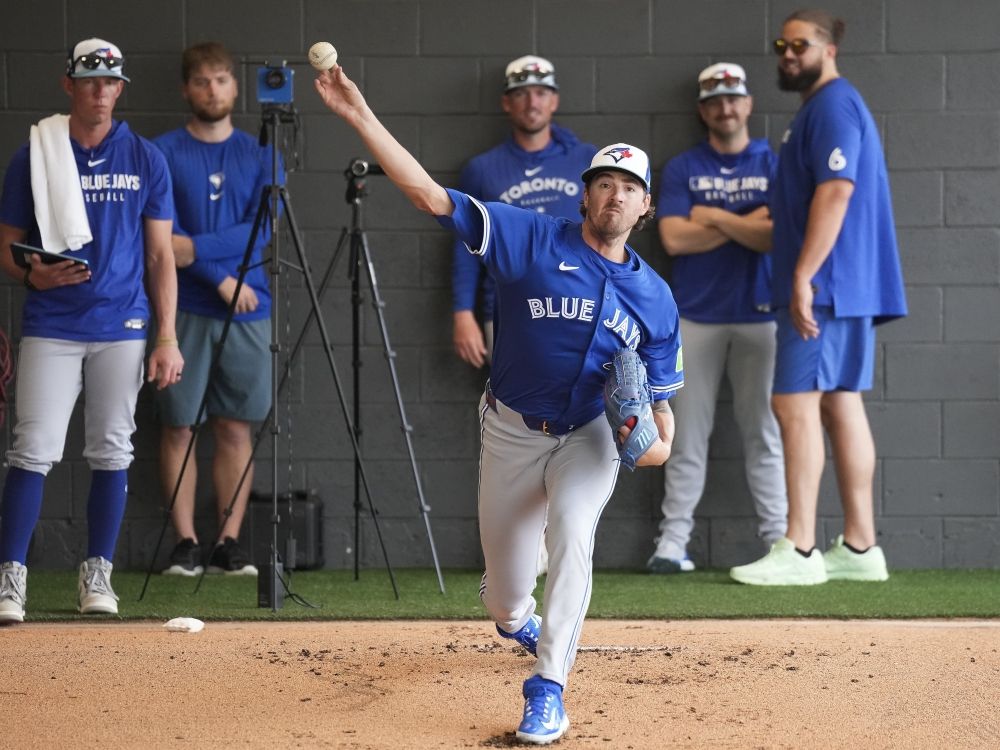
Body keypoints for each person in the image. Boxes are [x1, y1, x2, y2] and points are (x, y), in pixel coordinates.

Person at [313, 66, 683, 745]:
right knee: (505, 599)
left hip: (589, 437)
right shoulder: (531, 238)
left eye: (629, 188)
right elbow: (429, 197)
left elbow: (662, 415)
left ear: (646, 207)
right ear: (585, 194)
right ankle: (518, 620)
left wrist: (653, 446)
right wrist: (359, 115)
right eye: (604, 182)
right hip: (512, 430)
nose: (614, 195)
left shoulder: (656, 298)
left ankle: (547, 689)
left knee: (574, 537)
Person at [0, 38, 183, 623]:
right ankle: (10, 579)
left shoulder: (146, 158)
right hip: (52, 320)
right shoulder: (36, 151)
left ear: (120, 88)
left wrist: (167, 335)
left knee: (112, 449)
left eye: (110, 82)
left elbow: (160, 257)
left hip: (122, 323)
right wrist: (31, 273)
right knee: (34, 448)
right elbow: (6, 246)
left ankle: (96, 576)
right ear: (69, 85)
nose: (100, 91)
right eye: (88, 80)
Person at [730, 9, 907, 586]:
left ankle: (801, 549)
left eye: (799, 44)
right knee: (839, 403)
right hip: (841, 286)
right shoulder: (821, 109)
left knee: (794, 406)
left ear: (828, 49)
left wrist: (803, 276)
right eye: (781, 44)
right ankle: (860, 547)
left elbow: (835, 192)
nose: (787, 53)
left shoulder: (832, 106)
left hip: (826, 287)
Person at [649, 63, 786, 573]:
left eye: (734, 99)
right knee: (684, 434)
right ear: (703, 110)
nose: (726, 108)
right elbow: (674, 239)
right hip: (695, 316)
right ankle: (672, 543)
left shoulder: (774, 162)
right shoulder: (684, 166)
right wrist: (746, 222)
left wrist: (709, 216)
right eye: (715, 101)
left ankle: (780, 542)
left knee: (764, 431)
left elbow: (776, 235)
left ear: (748, 104)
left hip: (760, 313)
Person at [153, 42, 278, 577]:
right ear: (187, 89)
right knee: (180, 426)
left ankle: (228, 543)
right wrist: (220, 277)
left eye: (222, 80)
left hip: (249, 310)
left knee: (234, 428)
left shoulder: (262, 152)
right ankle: (185, 543)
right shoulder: (160, 151)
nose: (213, 90)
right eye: (203, 81)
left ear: (235, 87)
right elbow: (163, 242)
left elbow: (263, 229)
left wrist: (200, 256)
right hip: (183, 309)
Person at [451, 55, 597, 368]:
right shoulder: (482, 169)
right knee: (515, 413)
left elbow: (612, 233)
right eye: (521, 94)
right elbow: (466, 246)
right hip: (508, 311)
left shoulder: (586, 159)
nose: (532, 103)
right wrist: (463, 313)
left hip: (582, 306)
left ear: (554, 100)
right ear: (507, 102)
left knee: (587, 410)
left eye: (541, 93)